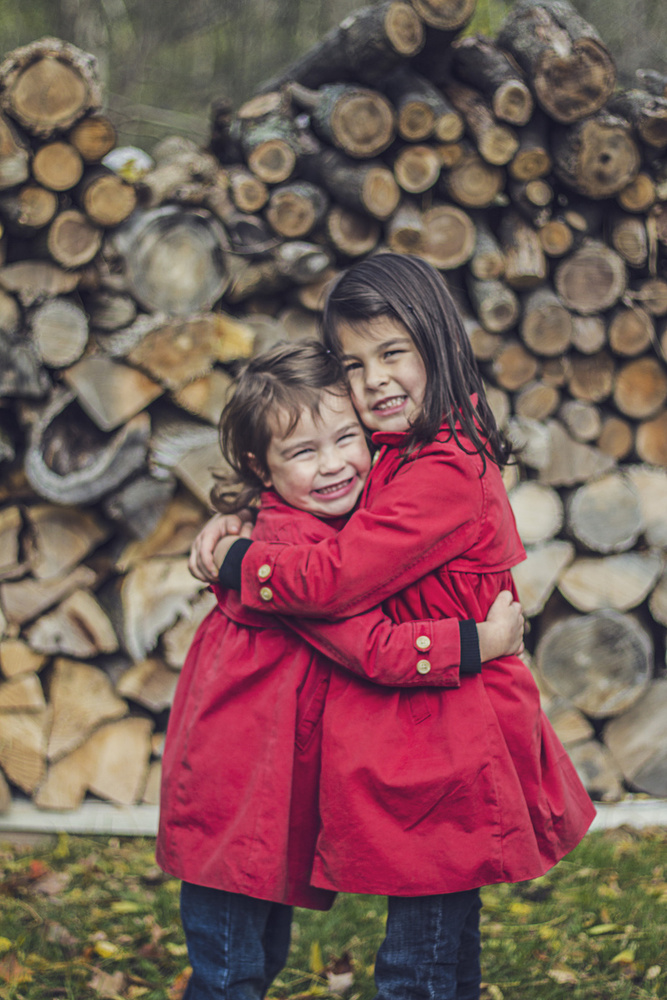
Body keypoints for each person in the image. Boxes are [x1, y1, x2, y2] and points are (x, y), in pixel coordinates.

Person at [191, 254, 596, 1000]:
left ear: (435, 346)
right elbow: (315, 480)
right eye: (353, 363)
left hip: (455, 723)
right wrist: (251, 512)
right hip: (427, 721)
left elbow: (337, 576)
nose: (374, 378)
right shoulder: (392, 446)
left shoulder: (442, 469)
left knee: (425, 950)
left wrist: (238, 563)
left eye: (392, 353)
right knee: (442, 933)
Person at [158, 340, 525, 1000]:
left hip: (263, 779)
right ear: (259, 466)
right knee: (232, 966)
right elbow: (375, 648)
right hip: (234, 783)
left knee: (254, 951)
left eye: (345, 439)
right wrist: (481, 641)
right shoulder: (294, 552)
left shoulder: (332, 516)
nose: (333, 466)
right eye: (302, 452)